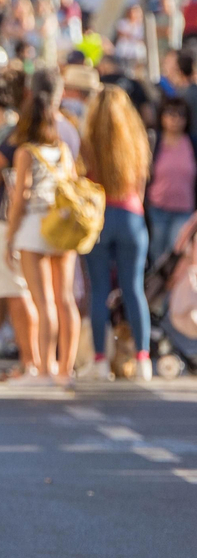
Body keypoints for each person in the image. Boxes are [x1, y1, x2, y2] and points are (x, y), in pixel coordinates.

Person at [9, 86, 81, 386]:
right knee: (65, 300)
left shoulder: (26, 152)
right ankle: (66, 369)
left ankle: (44, 369)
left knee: (43, 302)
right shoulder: (63, 150)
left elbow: (20, 198)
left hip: (33, 227)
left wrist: (9, 238)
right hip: (62, 227)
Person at [81, 86, 152, 381]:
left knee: (98, 291)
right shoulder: (136, 141)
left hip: (100, 216)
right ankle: (143, 359)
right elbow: (141, 185)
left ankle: (99, 359)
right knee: (134, 290)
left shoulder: (89, 143)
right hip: (131, 215)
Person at [147, 97, 196, 265]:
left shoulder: (192, 143)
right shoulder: (154, 141)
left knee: (175, 257)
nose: (175, 119)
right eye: (170, 114)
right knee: (156, 257)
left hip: (184, 210)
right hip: (157, 208)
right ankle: (155, 291)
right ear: (162, 116)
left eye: (180, 115)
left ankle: (172, 292)